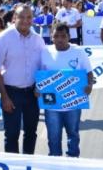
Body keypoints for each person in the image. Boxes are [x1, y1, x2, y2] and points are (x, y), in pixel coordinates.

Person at [0, 4, 45, 154]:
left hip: (32, 93)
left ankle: (28, 165)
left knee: (30, 132)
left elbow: (43, 66)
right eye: (21, 17)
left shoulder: (38, 39)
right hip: (11, 93)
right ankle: (13, 169)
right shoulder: (3, 38)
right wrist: (4, 97)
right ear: (14, 17)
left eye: (29, 17)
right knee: (12, 134)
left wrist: (40, 87)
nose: (26, 20)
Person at [40, 24, 93, 157]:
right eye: (56, 36)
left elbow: (89, 72)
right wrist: (38, 89)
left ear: (69, 37)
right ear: (51, 37)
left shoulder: (78, 51)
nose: (60, 39)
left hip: (73, 103)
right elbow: (41, 76)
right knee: (53, 138)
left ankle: (73, 161)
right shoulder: (45, 52)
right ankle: (55, 163)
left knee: (73, 135)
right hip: (52, 106)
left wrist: (90, 86)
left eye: (63, 36)